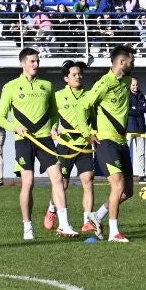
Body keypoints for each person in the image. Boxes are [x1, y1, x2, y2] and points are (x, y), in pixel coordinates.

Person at [0, 48, 71, 240]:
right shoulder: (11, 87)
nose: (36, 65)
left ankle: (64, 224)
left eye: (37, 61)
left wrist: (54, 127)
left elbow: (55, 113)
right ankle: (27, 226)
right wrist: (15, 127)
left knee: (57, 178)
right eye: (32, 61)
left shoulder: (47, 86)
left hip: (45, 139)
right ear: (23, 63)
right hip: (24, 140)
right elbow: (0, 118)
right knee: (28, 183)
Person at [83, 45, 138, 243]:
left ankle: (97, 216)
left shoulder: (126, 83)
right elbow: (84, 105)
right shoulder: (104, 82)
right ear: (122, 62)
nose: (134, 64)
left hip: (122, 142)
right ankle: (114, 233)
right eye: (132, 61)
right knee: (118, 185)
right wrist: (87, 131)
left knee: (128, 191)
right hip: (106, 142)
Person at [48, 62, 97, 235]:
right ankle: (52, 208)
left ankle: (87, 221)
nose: (78, 77)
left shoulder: (90, 95)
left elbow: (93, 118)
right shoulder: (58, 96)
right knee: (63, 184)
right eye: (74, 74)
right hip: (65, 145)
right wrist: (53, 128)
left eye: (80, 74)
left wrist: (94, 133)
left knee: (88, 181)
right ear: (66, 78)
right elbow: (53, 116)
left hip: (84, 145)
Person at [127, 79, 146, 183]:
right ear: (129, 86)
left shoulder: (141, 95)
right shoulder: (126, 95)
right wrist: (140, 109)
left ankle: (142, 175)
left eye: (137, 84)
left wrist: (136, 109)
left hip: (141, 129)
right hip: (129, 129)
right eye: (133, 85)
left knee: (141, 153)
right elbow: (127, 110)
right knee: (126, 153)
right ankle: (126, 175)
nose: (135, 87)